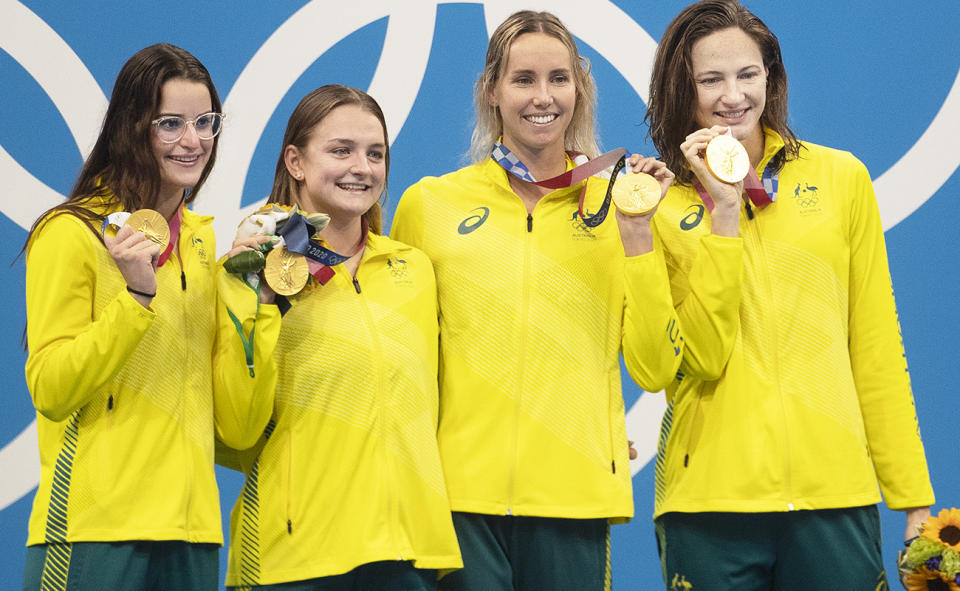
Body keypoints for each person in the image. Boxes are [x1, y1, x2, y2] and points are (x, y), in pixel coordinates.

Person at [645, 1, 935, 589]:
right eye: (711, 79)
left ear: (771, 78)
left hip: (835, 500)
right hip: (709, 506)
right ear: (683, 89)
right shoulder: (656, 205)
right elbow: (690, 360)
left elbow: (876, 348)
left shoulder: (841, 179)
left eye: (748, 74)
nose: (733, 96)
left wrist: (915, 503)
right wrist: (722, 214)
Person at [391, 11, 682, 591]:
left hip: (573, 498)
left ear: (580, 89)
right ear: (491, 91)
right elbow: (401, 360)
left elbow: (655, 369)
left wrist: (639, 238)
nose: (542, 97)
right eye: (523, 79)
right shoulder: (430, 206)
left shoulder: (624, 206)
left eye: (559, 78)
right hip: (459, 502)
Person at [21, 43, 279, 590]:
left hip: (192, 533)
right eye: (171, 123)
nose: (194, 140)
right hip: (94, 528)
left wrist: (252, 301)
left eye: (205, 121)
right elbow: (50, 387)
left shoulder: (206, 242)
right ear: (130, 127)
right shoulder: (71, 231)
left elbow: (234, 423)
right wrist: (134, 301)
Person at [216, 84, 462, 590]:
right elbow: (235, 428)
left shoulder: (412, 268)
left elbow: (454, 394)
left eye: (376, 153)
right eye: (340, 150)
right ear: (296, 162)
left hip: (407, 555)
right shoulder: (245, 272)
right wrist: (261, 301)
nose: (363, 167)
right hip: (293, 559)